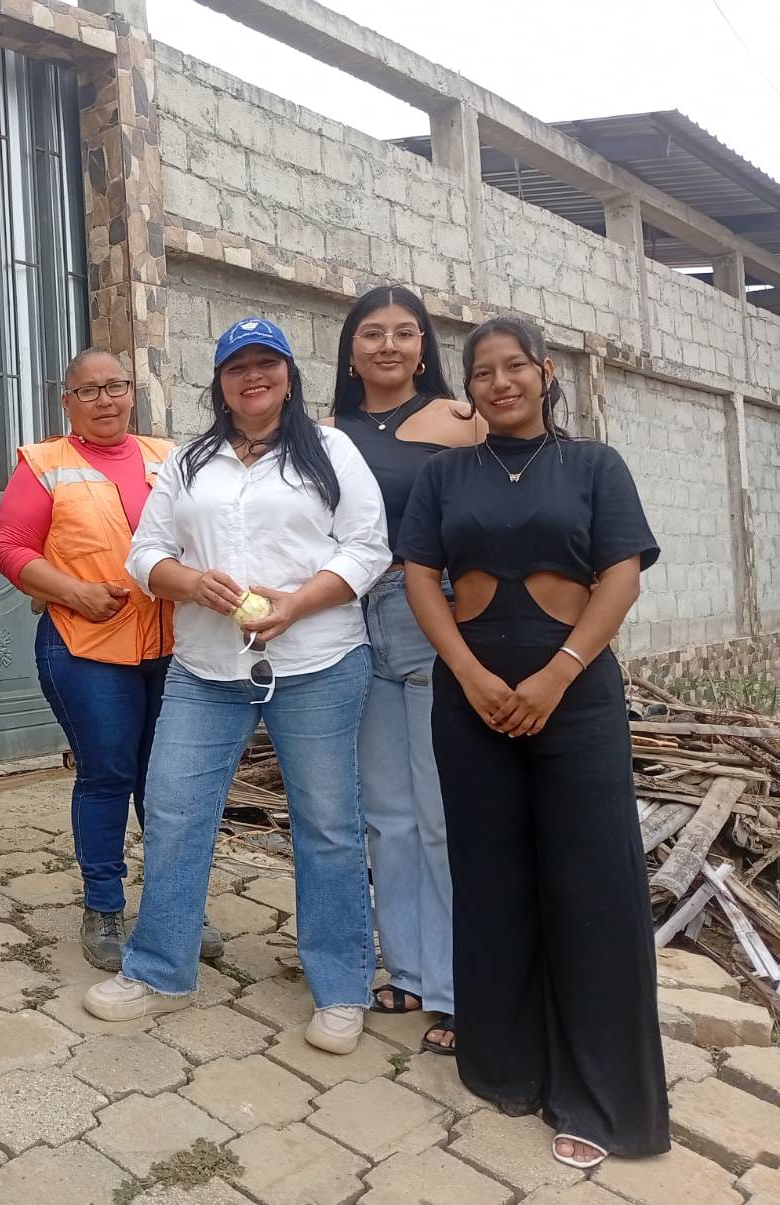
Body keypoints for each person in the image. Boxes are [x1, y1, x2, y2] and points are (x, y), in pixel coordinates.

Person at [398, 315, 668, 1169]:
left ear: (547, 373)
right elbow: (420, 575)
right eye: (483, 372)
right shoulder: (444, 474)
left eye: (516, 366)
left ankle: (603, 1096)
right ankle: (504, 1063)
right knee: (491, 878)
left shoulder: (595, 465)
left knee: (593, 885)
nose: (501, 382)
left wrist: (557, 675)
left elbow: (620, 575)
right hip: (469, 700)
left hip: (575, 697)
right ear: (467, 388)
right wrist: (469, 674)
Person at [82, 317, 391, 1058]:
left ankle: (341, 986)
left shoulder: (332, 451)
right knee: (175, 810)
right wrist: (189, 581)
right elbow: (145, 554)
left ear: (288, 374)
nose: (253, 377)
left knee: (327, 824)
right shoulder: (191, 461)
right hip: (207, 666)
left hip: (317, 661)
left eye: (266, 364)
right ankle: (160, 969)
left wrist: (297, 603)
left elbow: (368, 547)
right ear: (219, 382)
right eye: (237, 367)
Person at [0, 348, 194, 970]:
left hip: (174, 647)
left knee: (168, 782)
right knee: (108, 774)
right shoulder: (44, 463)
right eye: (88, 390)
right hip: (86, 645)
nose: (104, 400)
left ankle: (174, 905)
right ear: (67, 401)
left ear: (132, 392)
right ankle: (104, 905)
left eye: (115, 386)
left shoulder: (170, 456)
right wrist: (73, 591)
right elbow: (12, 548)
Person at [328, 285, 483, 1055]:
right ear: (350, 350)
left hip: (432, 614)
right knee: (385, 814)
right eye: (371, 333)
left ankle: (460, 986)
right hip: (350, 621)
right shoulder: (326, 433)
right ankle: (411, 970)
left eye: (403, 332)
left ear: (424, 346)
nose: (387, 345)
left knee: (441, 813)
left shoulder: (461, 420)